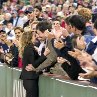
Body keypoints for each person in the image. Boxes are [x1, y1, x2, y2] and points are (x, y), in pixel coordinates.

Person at [20, 31, 50, 97]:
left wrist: (39, 52)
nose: (36, 36)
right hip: (30, 79)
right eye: (34, 36)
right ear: (30, 38)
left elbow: (35, 62)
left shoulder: (29, 48)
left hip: (29, 78)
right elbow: (34, 64)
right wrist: (44, 54)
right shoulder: (29, 48)